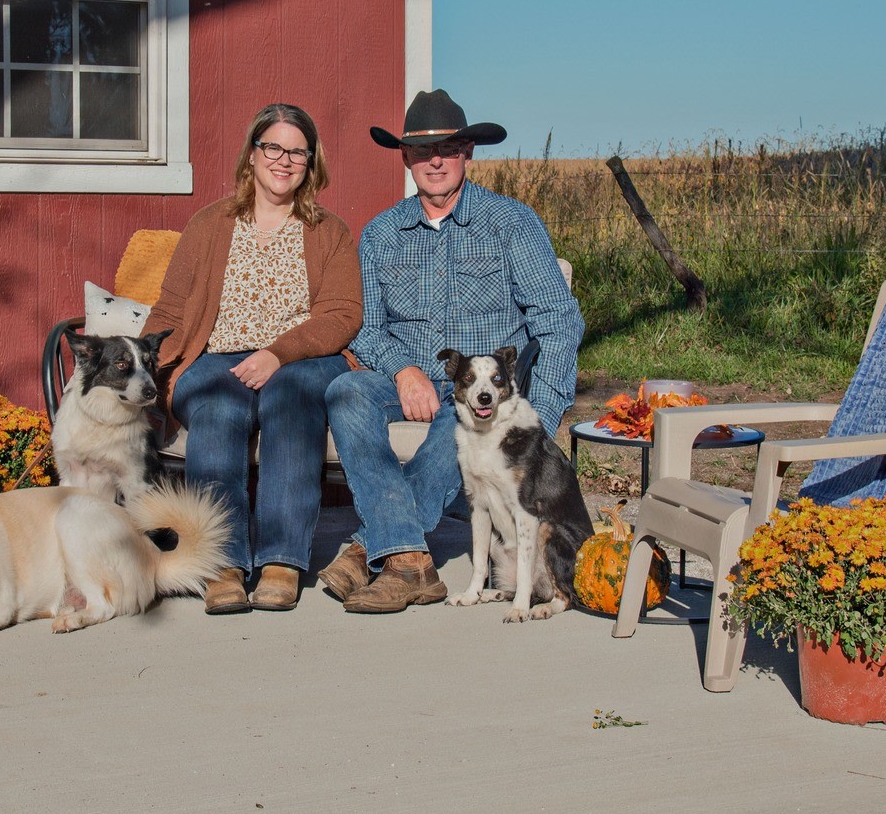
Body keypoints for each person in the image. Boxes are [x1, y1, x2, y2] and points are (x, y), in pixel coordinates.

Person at [320, 89, 585, 614]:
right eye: (421, 151)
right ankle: (407, 558)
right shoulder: (380, 236)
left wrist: (538, 419)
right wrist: (404, 371)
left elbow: (558, 322)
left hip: (483, 392)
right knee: (345, 389)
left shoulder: (511, 224)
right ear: (405, 158)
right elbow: (365, 329)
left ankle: (372, 550)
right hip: (409, 379)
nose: (434, 160)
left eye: (448, 147)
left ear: (467, 153)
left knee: (460, 425)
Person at [147, 103, 363, 613]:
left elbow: (342, 315)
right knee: (219, 409)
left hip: (302, 359)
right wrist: (147, 362)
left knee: (289, 399)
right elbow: (171, 307)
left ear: (311, 163)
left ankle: (282, 560)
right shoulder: (209, 225)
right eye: (273, 147)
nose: (283, 161)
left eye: (297, 152)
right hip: (217, 356)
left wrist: (277, 354)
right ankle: (220, 561)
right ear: (252, 153)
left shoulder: (329, 231)